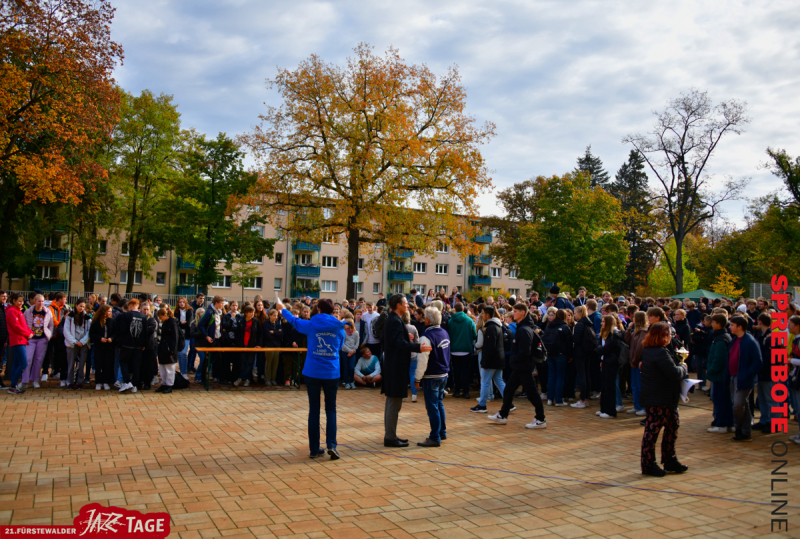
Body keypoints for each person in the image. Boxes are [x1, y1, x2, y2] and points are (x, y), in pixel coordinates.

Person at [277, 298, 349, 460]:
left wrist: (282, 309)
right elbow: (340, 346)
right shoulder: (338, 327)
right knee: (331, 409)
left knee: (314, 410)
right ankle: (332, 445)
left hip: (313, 372)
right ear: (332, 311)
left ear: (319, 310)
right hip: (331, 372)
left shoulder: (310, 324)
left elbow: (294, 321)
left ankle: (314, 449)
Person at [639, 322, 689, 477]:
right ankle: (648, 464)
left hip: (664, 397)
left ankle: (669, 458)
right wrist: (684, 367)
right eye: (669, 335)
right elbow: (673, 372)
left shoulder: (652, 351)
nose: (670, 337)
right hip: (659, 398)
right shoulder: (659, 352)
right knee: (652, 432)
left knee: (673, 426)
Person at [382, 294, 430, 448]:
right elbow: (398, 343)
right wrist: (418, 347)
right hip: (396, 367)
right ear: (398, 305)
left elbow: (394, 339)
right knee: (394, 403)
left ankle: (391, 435)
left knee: (393, 403)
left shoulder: (394, 319)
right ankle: (390, 437)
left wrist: (405, 336)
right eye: (405, 303)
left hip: (393, 366)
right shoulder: (395, 320)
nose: (408, 306)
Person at [488, 303, 547, 429]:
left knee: (532, 393)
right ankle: (503, 415)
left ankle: (541, 419)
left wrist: (514, 359)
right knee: (509, 390)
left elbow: (525, 351)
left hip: (524, 367)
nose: (513, 313)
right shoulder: (522, 327)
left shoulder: (524, 330)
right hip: (519, 366)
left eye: (515, 311)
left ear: (522, 313)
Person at [414, 306, 452, 446]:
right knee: (439, 403)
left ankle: (435, 437)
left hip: (432, 375)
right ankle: (442, 432)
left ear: (428, 320)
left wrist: (417, 378)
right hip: (443, 373)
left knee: (432, 407)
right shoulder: (444, 332)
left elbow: (422, 360)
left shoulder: (426, 336)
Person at [728, 315, 763, 442]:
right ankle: (745, 431)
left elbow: (758, 362)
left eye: (732, 325)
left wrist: (747, 374)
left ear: (740, 327)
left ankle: (739, 429)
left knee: (738, 405)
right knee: (744, 405)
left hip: (744, 378)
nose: (730, 327)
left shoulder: (750, 341)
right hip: (733, 376)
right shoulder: (735, 339)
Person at [471, 306, 505, 413]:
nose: (481, 315)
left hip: (491, 360)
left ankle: (482, 405)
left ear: (488, 315)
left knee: (485, 382)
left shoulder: (490, 327)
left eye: (483, 314)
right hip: (498, 359)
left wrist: (485, 362)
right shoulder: (498, 325)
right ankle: (509, 402)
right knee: (499, 381)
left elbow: (489, 347)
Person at [706, 313, 733, 434]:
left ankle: (721, 423)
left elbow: (719, 359)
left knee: (720, 399)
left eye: (713, 322)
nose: (711, 324)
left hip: (719, 376)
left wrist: (710, 370)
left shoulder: (721, 339)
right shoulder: (720, 337)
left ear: (719, 324)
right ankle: (728, 422)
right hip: (720, 375)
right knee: (724, 399)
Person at [114, 298, 148, 393]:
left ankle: (127, 381)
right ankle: (135, 385)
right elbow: (145, 332)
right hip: (138, 345)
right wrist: (144, 344)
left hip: (127, 344)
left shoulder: (126, 315)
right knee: (136, 365)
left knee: (123, 362)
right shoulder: (143, 316)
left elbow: (122, 330)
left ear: (129, 306)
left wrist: (121, 342)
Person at [541, 309, 573, 406]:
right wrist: (570, 355)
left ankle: (550, 398)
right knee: (560, 377)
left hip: (550, 354)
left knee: (551, 376)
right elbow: (569, 343)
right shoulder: (565, 327)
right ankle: (559, 399)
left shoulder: (549, 326)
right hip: (560, 354)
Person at [21, 294, 52, 389]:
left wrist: (48, 335)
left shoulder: (47, 312)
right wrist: (27, 334)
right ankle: (24, 381)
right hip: (31, 339)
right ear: (34, 301)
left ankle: (35, 380)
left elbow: (51, 325)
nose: (41, 303)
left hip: (42, 339)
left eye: (42, 301)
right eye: (39, 301)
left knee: (38, 360)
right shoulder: (28, 311)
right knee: (27, 359)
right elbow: (24, 324)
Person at [596, 315, 624, 418]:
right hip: (605, 361)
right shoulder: (605, 334)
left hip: (611, 363)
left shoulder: (614, 334)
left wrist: (599, 349)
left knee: (609, 387)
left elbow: (605, 348)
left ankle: (610, 411)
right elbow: (600, 346)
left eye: (603, 321)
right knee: (604, 386)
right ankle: (604, 408)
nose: (601, 323)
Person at [448, 302, 477, 399]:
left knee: (456, 371)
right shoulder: (469, 320)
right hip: (466, 349)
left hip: (454, 349)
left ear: (455, 309)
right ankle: (466, 391)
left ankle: (456, 391)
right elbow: (474, 335)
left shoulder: (451, 321)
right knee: (465, 371)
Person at [6, 293, 34, 394]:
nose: (21, 303)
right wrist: (28, 334)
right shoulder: (11, 311)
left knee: (17, 363)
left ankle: (13, 386)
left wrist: (30, 333)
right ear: (14, 301)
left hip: (21, 339)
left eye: (22, 301)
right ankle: (13, 385)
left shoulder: (19, 311)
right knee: (23, 363)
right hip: (17, 339)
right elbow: (16, 326)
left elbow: (24, 325)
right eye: (19, 301)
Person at [570, 305, 597, 409]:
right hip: (587, 352)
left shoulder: (580, 324)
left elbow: (576, 339)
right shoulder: (588, 323)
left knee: (582, 376)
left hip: (580, 353)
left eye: (575, 313)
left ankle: (582, 399)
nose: (574, 315)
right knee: (586, 375)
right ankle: (586, 399)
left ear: (580, 314)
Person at [64, 298, 92, 390]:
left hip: (83, 343)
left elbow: (89, 331)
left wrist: (83, 341)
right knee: (71, 364)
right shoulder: (69, 317)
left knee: (81, 364)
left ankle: (80, 382)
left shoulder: (87, 318)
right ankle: (70, 382)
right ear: (76, 305)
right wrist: (75, 341)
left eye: (83, 307)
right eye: (80, 306)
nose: (81, 308)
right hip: (72, 344)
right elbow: (66, 330)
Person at [625, 311, 648, 416]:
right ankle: (636, 405)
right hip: (633, 362)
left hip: (638, 363)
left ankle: (643, 407)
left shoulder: (643, 332)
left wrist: (634, 360)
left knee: (640, 386)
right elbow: (627, 340)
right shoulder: (635, 332)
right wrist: (629, 329)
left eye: (634, 318)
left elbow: (640, 348)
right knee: (634, 385)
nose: (632, 319)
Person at [234, 304, 263, 387]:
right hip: (243, 345)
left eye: (253, 312)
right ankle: (247, 379)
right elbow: (237, 333)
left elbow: (260, 334)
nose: (253, 314)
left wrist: (259, 344)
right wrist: (238, 342)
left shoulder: (256, 321)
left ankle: (241, 378)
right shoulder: (241, 320)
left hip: (252, 345)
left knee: (250, 363)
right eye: (251, 312)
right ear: (246, 313)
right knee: (244, 363)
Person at [198, 296, 225, 384]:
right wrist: (206, 336)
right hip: (210, 340)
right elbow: (200, 325)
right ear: (216, 303)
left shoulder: (219, 312)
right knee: (207, 360)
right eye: (221, 303)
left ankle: (220, 378)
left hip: (217, 339)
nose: (222, 305)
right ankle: (203, 380)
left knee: (219, 359)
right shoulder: (209, 312)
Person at [89, 305, 115, 390]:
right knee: (98, 365)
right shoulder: (96, 321)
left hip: (109, 346)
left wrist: (112, 338)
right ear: (103, 312)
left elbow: (116, 333)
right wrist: (99, 338)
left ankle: (106, 382)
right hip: (99, 346)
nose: (110, 313)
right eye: (108, 311)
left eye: (111, 311)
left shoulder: (112, 321)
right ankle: (98, 382)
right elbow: (91, 334)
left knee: (107, 365)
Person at [156, 306, 180, 394]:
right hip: (163, 348)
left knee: (169, 368)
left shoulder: (172, 323)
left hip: (170, 348)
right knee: (162, 367)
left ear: (165, 315)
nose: (160, 319)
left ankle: (169, 384)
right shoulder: (166, 322)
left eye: (160, 317)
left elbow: (175, 338)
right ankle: (164, 383)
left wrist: (173, 351)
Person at [262, 309, 283, 386]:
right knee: (269, 362)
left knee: (275, 363)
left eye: (276, 315)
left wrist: (274, 332)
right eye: (274, 315)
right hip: (269, 345)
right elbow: (268, 335)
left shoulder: (277, 323)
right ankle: (267, 378)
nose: (275, 317)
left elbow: (281, 333)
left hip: (277, 346)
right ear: (270, 315)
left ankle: (273, 378)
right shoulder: (266, 323)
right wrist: (277, 333)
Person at [402, 310, 420, 402]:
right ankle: (414, 395)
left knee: (403, 375)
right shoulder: (413, 328)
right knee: (412, 374)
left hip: (403, 354)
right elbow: (417, 342)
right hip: (413, 354)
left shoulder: (400, 328)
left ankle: (404, 395)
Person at [175, 297, 194, 376]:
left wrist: (182, 323)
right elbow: (176, 323)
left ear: (186, 303)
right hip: (178, 334)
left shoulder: (189, 311)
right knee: (179, 354)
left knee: (183, 353)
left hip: (186, 335)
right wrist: (181, 323)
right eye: (180, 302)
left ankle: (184, 372)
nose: (181, 303)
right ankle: (181, 371)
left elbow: (189, 323)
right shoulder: (176, 312)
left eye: (183, 302)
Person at [340, 312, 359, 389]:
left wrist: (353, 351)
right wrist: (349, 351)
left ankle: (352, 381)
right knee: (346, 367)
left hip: (353, 353)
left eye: (347, 323)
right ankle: (347, 383)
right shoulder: (343, 332)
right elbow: (342, 344)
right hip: (345, 352)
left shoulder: (356, 333)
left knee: (352, 367)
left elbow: (357, 343)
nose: (345, 325)